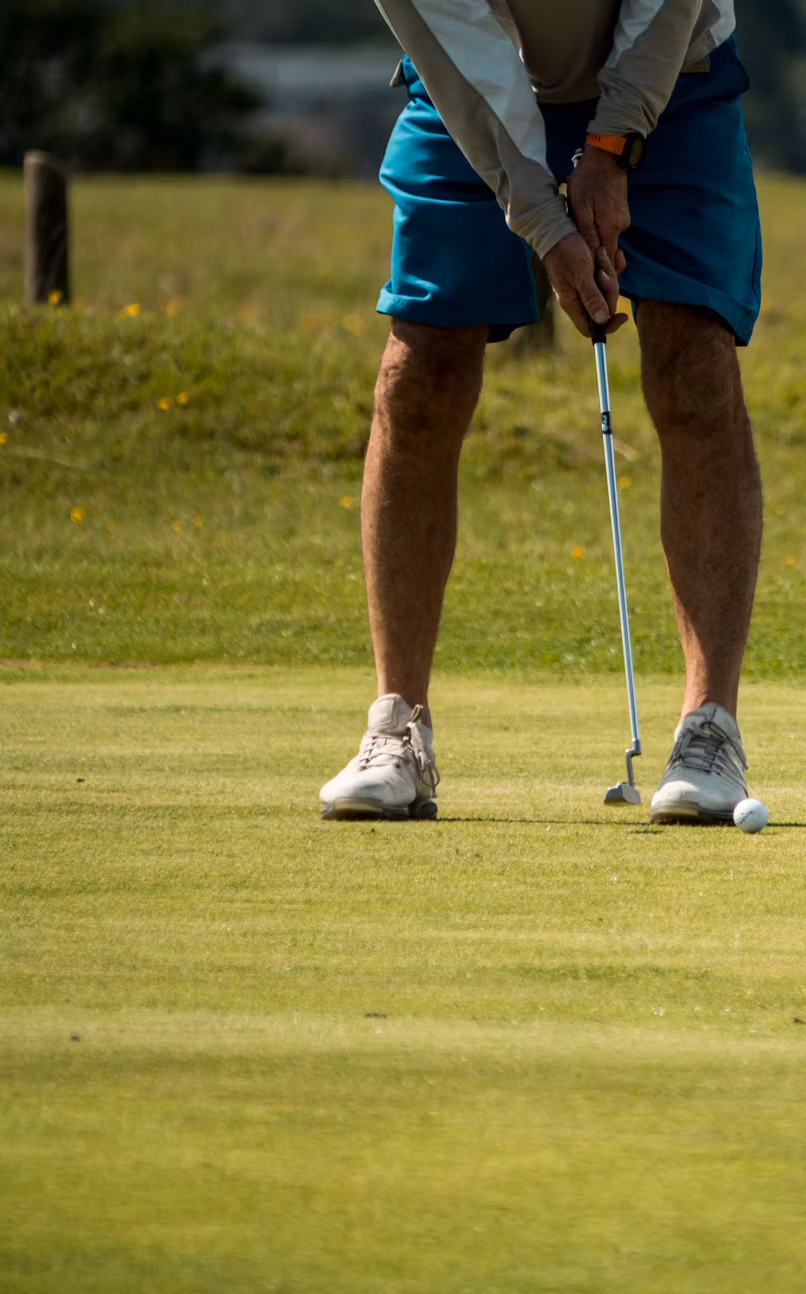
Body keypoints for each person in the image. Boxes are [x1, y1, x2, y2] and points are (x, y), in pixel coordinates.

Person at [320, 0, 764, 824]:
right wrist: (547, 224)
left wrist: (611, 145)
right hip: (470, 80)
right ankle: (397, 728)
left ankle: (710, 730)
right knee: (420, 370)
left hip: (676, 72)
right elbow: (461, 49)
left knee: (695, 366)